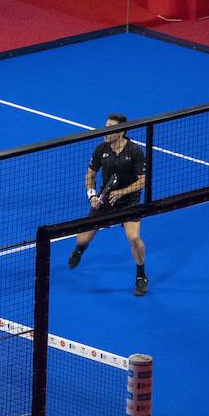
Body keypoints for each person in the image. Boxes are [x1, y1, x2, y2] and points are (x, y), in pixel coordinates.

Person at [67, 114, 149, 297]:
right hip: (104, 201)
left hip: (129, 202)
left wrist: (121, 192)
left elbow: (143, 181)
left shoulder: (135, 151)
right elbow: (90, 174)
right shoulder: (101, 149)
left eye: (110, 128)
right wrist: (92, 196)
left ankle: (141, 276)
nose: (105, 131)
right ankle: (80, 250)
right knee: (82, 240)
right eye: (105, 126)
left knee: (134, 238)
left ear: (121, 131)